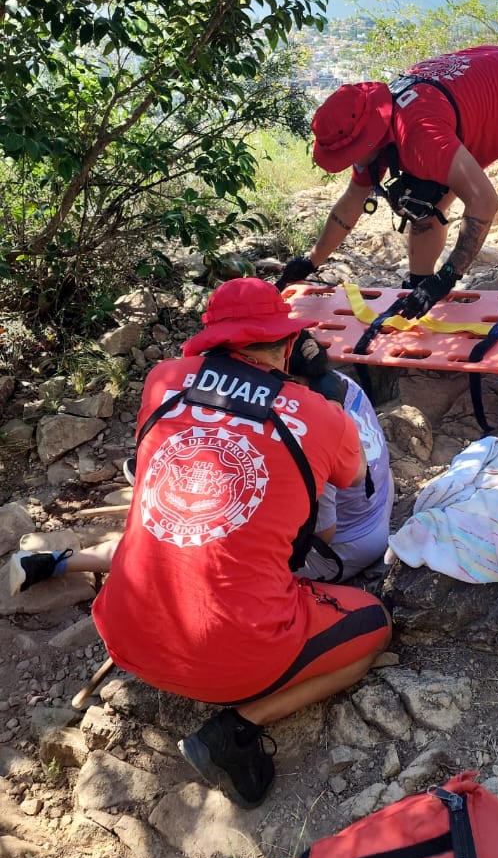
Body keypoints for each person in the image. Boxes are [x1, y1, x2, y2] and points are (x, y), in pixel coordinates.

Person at [12, 279, 391, 808]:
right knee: (375, 624)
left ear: (210, 340)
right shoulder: (323, 416)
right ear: (287, 343)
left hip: (125, 636)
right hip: (232, 660)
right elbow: (354, 483)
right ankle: (238, 728)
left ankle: (60, 562)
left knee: (178, 532)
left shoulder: (162, 380)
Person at [11, 337, 395, 591]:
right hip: (373, 512)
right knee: (201, 527)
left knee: (194, 548)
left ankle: (61, 563)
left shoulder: (314, 432)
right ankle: (58, 563)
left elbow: (321, 533)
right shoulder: (341, 389)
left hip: (342, 547)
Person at [275, 45, 498, 317]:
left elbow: (484, 202)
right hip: (485, 97)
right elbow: (352, 200)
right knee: (420, 202)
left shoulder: (422, 137)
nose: (349, 160)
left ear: (367, 138)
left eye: (349, 153)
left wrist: (448, 276)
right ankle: (418, 287)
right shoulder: (376, 123)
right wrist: (311, 261)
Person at [288, 330, 394, 582]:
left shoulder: (307, 427)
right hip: (382, 498)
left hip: (352, 542)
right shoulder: (339, 382)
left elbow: (323, 534)